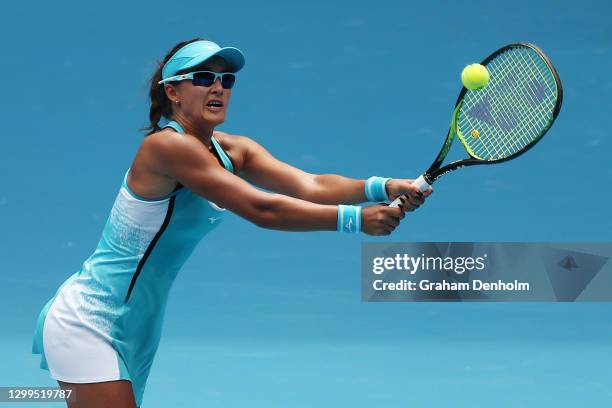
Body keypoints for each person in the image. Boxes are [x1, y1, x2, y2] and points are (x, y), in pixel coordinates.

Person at [32, 38, 432, 408]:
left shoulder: (234, 149)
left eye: (226, 79)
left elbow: (309, 185)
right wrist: (356, 221)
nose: (218, 87)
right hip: (89, 319)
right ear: (172, 92)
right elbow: (262, 209)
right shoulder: (166, 147)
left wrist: (383, 187)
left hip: (140, 325)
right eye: (203, 78)